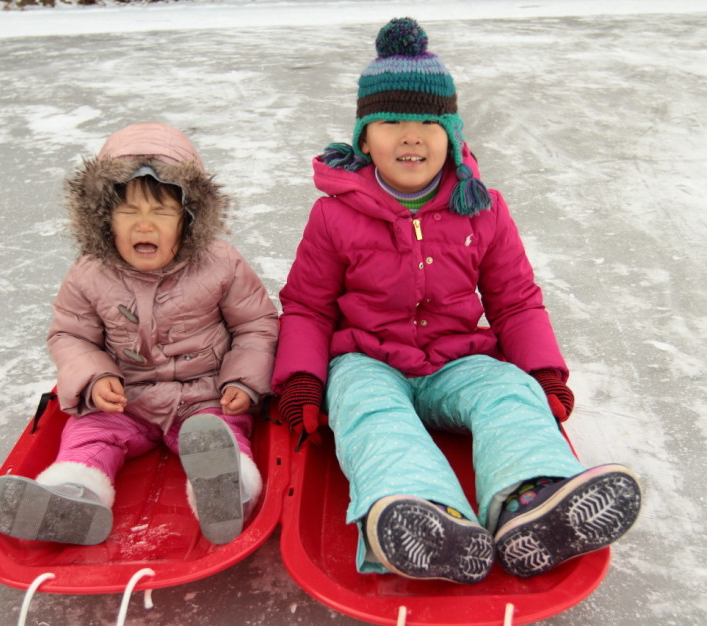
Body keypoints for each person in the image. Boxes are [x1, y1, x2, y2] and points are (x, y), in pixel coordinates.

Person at [273, 18, 641, 583]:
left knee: (509, 392)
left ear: (452, 133)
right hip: (368, 360)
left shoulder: (482, 208)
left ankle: (531, 499)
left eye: (429, 121)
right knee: (369, 412)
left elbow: (515, 300)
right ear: (364, 138)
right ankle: (425, 514)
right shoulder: (335, 214)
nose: (411, 135)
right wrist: (302, 379)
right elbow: (307, 305)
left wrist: (541, 372)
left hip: (455, 357)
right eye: (391, 121)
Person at [0, 122, 277, 546]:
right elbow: (70, 335)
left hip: (205, 393)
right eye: (128, 211)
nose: (144, 225)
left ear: (188, 217)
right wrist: (96, 378)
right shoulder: (90, 272)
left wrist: (243, 381)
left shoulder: (221, 263)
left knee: (219, 435)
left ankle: (232, 493)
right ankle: (71, 494)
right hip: (125, 398)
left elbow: (256, 324)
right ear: (104, 218)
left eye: (161, 212)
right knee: (89, 433)